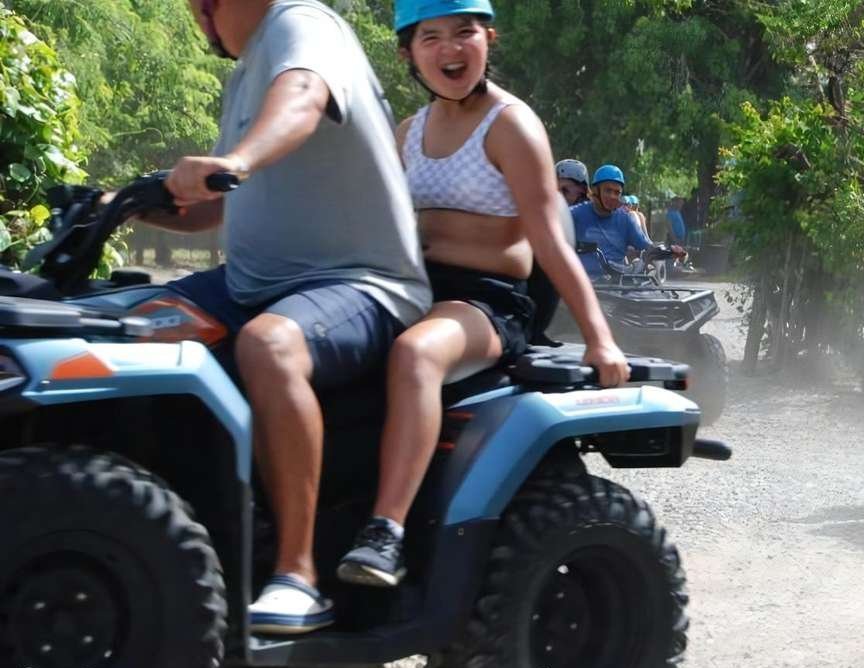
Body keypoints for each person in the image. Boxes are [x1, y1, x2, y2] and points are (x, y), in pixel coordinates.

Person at [134, 0, 430, 633]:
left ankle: (298, 575)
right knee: (131, 327)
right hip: (252, 283)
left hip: (361, 284)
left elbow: (303, 97)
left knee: (270, 346)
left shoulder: (301, 25)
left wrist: (237, 161)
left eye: (204, 3)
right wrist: (122, 203)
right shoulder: (246, 74)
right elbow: (211, 208)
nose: (197, 13)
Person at [336, 0, 630, 587]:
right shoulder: (407, 134)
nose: (450, 49)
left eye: (464, 32)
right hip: (409, 289)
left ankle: (386, 532)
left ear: (488, 39)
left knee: (415, 356)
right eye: (431, 36)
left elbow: (550, 241)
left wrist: (600, 338)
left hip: (486, 302)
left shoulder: (510, 126)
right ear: (408, 51)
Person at [571, 164, 684, 279]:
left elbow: (647, 248)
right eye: (608, 190)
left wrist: (670, 252)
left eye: (616, 192)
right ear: (595, 190)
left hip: (616, 284)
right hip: (580, 282)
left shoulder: (625, 219)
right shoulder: (575, 214)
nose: (612, 196)